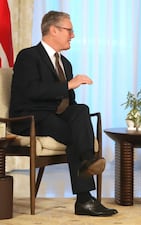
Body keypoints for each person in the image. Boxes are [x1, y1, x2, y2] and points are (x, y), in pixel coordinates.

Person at [9, 11, 118, 217]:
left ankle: (86, 176)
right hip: (31, 118)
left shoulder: (65, 63)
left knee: (81, 110)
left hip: (55, 116)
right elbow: (32, 91)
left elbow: (69, 102)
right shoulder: (28, 56)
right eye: (69, 30)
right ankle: (85, 195)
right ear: (53, 30)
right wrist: (69, 84)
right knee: (76, 135)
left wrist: (74, 103)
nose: (73, 35)